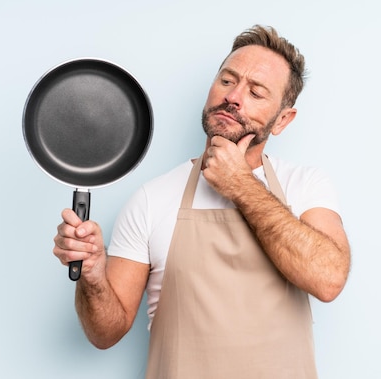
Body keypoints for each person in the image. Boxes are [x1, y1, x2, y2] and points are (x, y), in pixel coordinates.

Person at [53, 24, 351, 379]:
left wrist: (241, 185)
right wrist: (94, 276)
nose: (234, 97)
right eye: (227, 81)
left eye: (256, 92)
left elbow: (329, 279)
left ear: (283, 120)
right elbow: (105, 333)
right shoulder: (152, 198)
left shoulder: (305, 186)